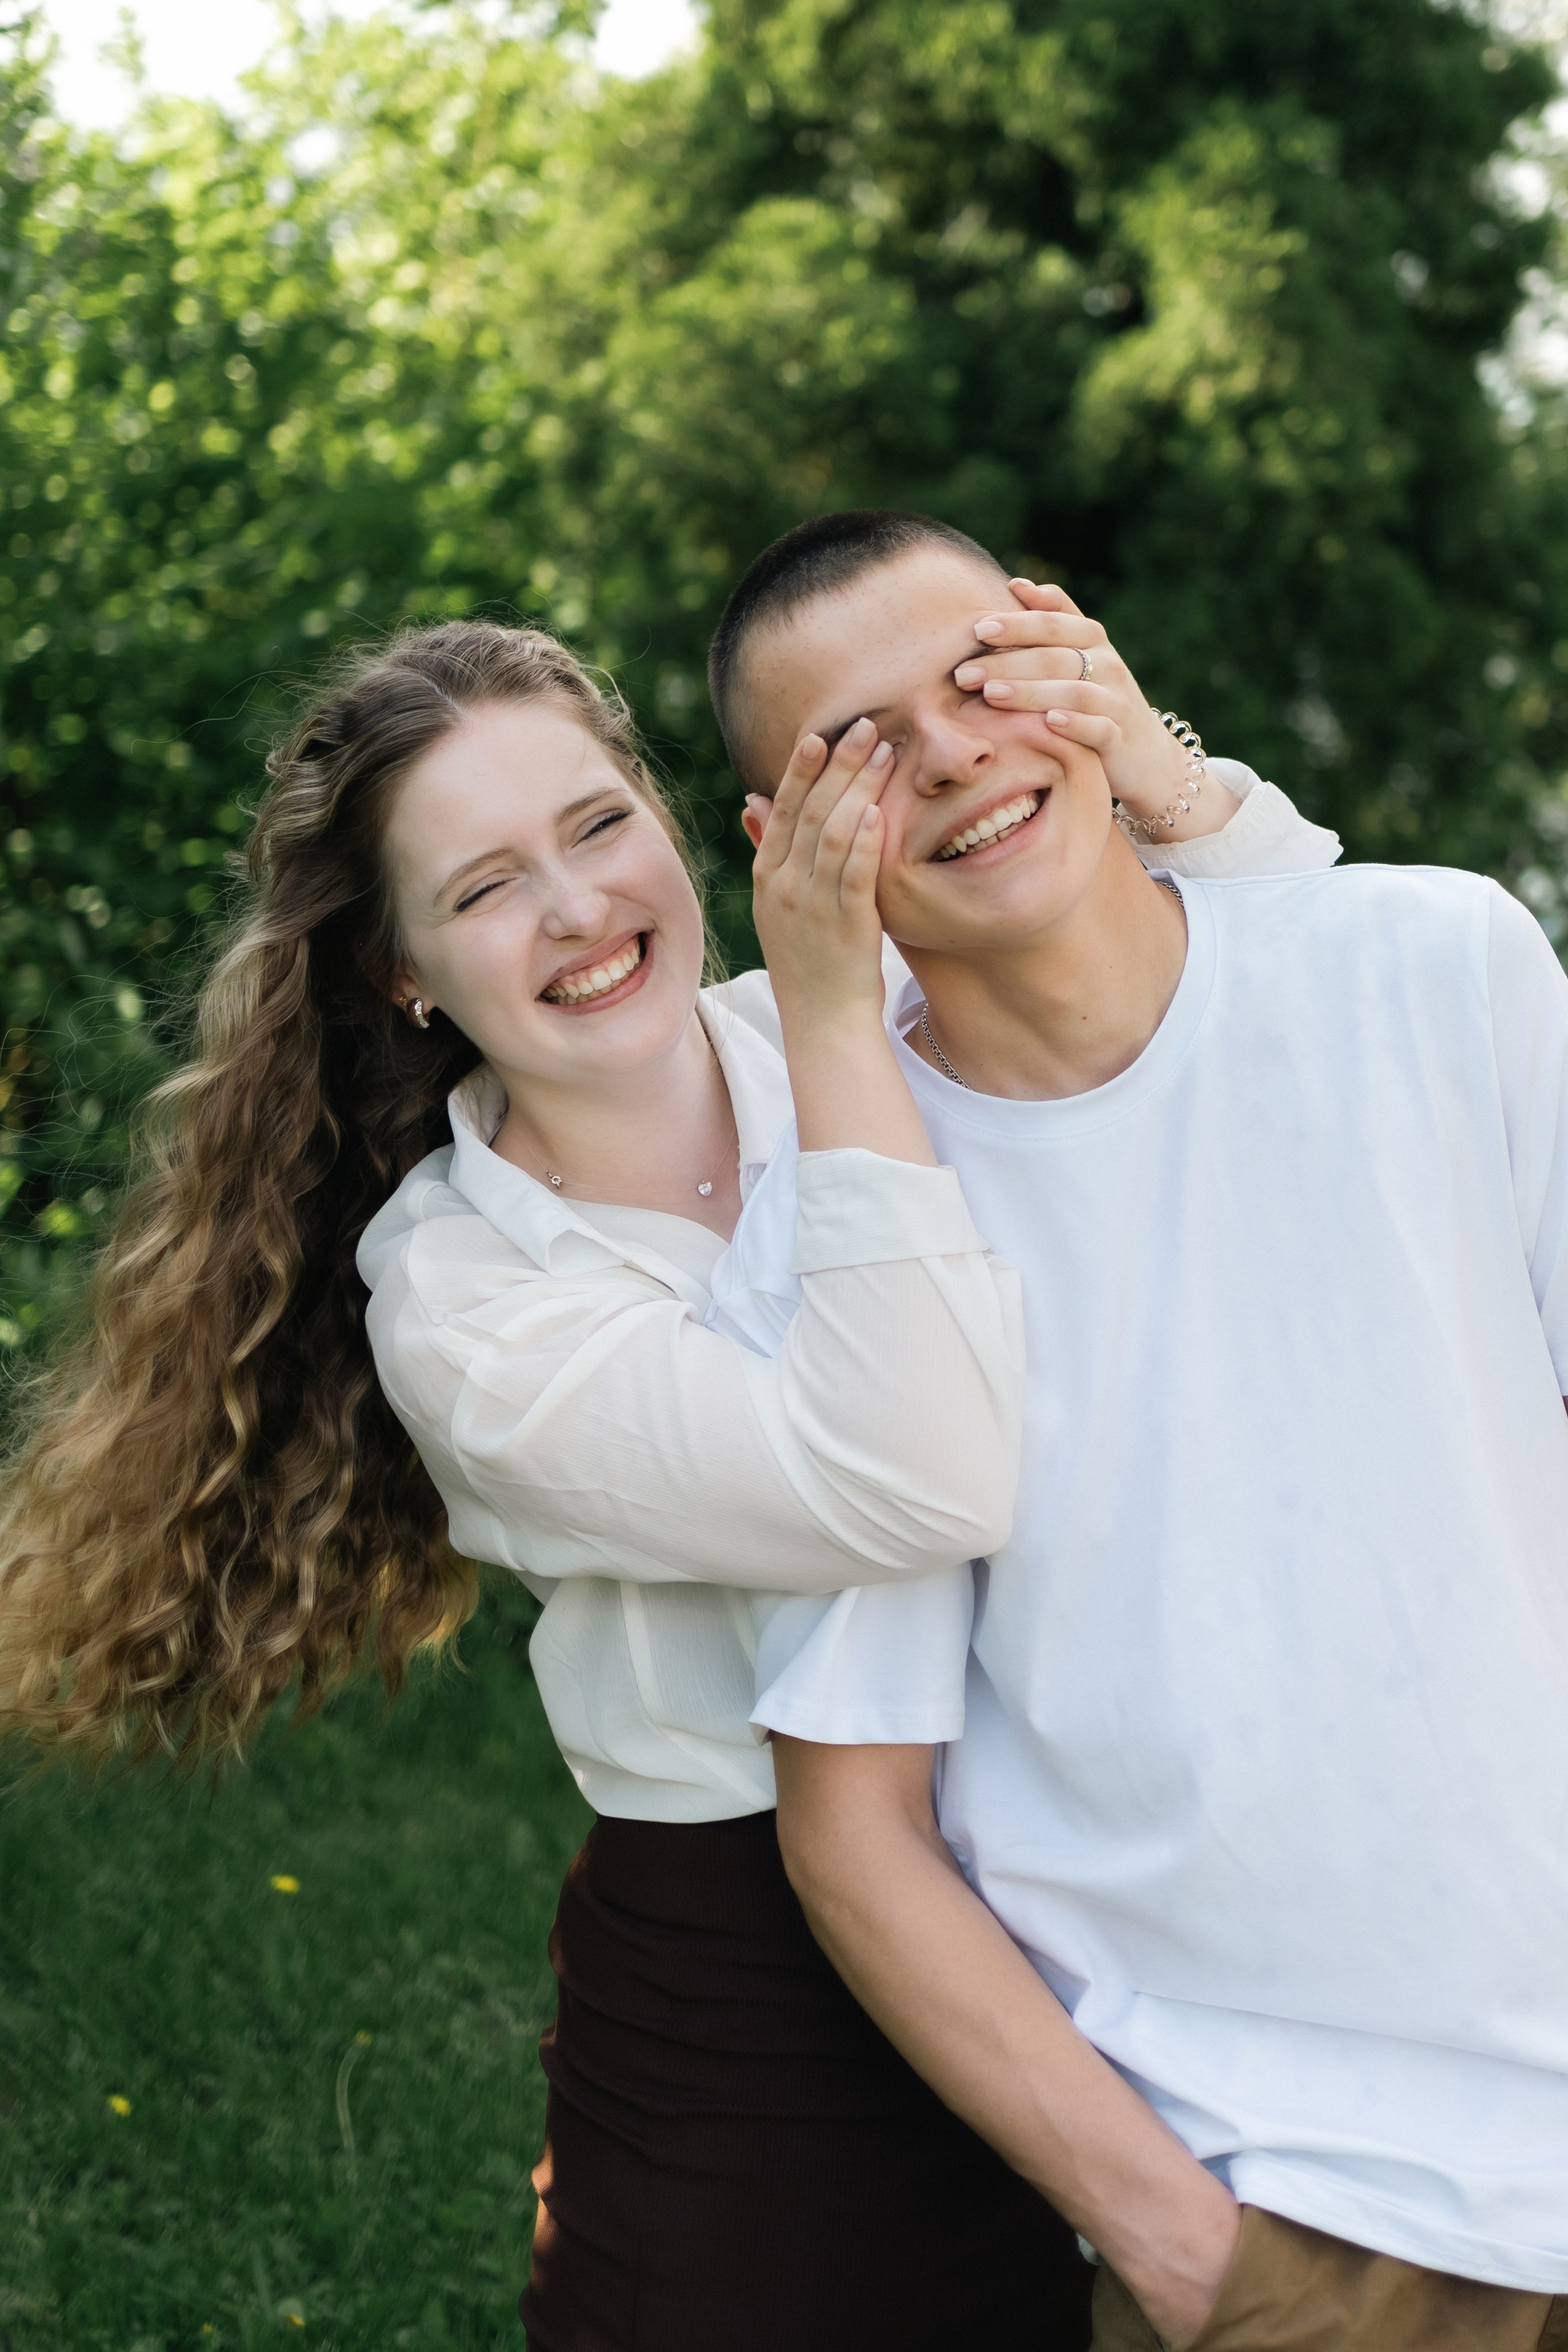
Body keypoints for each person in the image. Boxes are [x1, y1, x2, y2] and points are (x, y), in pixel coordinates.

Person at [0, 606, 1334, 2351]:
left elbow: (1294, 1015)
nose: (574, 910)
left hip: (1120, 1861)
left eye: (599, 825)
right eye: (481, 889)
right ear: (404, 972)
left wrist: (1155, 773)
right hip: (765, 1978)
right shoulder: (466, 1299)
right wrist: (851, 1026)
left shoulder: (863, 1006)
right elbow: (911, 1478)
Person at [696, 510, 1568, 2350]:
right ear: (787, 850)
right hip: (1313, 2206)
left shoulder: (1438, 962)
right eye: (859, 748)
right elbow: (856, 1833)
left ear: (1077, 661)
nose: (950, 756)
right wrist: (1189, 2254)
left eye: (979, 677)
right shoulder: (841, 1243)